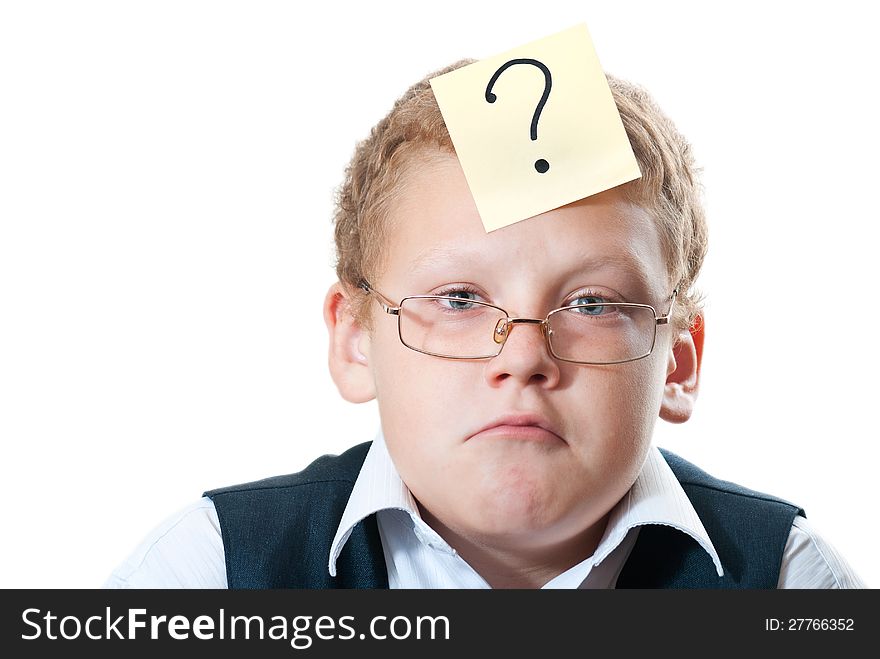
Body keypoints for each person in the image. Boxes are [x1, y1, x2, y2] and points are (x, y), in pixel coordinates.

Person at [104, 59, 865, 589]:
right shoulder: (212, 573)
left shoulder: (789, 583)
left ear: (678, 361)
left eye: (593, 304)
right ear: (355, 338)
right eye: (461, 298)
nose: (525, 355)